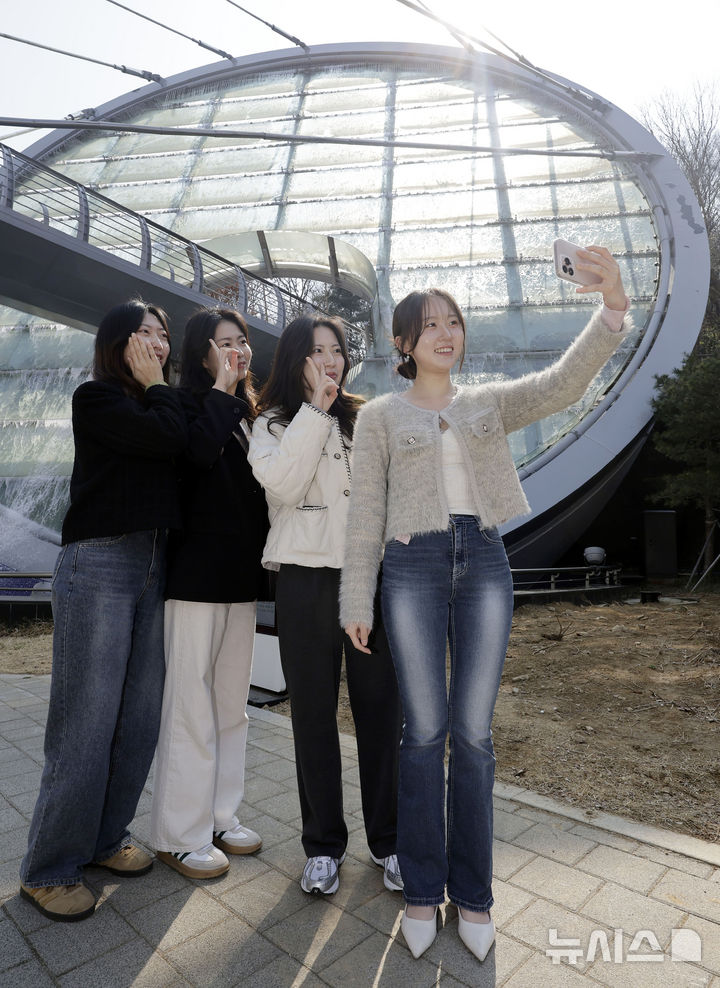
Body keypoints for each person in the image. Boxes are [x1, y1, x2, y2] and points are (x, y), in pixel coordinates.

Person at [340, 246, 631, 960]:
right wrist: (356, 598)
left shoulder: (487, 404)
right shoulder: (380, 416)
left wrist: (612, 308)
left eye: (454, 322)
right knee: (423, 732)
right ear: (402, 343)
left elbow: (563, 385)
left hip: (485, 562)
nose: (447, 334)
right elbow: (364, 511)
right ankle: (421, 891)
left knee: (472, 735)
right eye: (430, 325)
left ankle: (473, 896)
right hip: (410, 565)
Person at [19, 300, 186, 922]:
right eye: (143, 333)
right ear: (116, 344)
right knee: (85, 722)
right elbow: (165, 439)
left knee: (138, 719)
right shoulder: (96, 399)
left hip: (154, 562)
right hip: (99, 562)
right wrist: (157, 387)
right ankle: (49, 868)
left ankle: (106, 839)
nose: (156, 342)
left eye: (162, 334)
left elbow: (185, 449)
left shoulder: (160, 402)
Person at [248, 315, 403, 897]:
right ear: (296, 359)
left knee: (380, 712)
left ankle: (389, 841)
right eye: (317, 351)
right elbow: (284, 485)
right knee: (313, 715)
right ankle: (321, 846)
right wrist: (315, 409)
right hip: (304, 579)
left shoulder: (365, 416)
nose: (330, 360)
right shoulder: (271, 422)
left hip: (368, 577)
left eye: (336, 350)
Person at [150, 308, 268, 879]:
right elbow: (196, 458)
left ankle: (220, 816)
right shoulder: (184, 406)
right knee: (189, 706)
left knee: (229, 706)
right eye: (224, 343)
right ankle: (179, 834)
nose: (237, 351)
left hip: (239, 578)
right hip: (195, 578)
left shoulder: (251, 415)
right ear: (202, 354)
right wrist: (223, 389)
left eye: (242, 341)